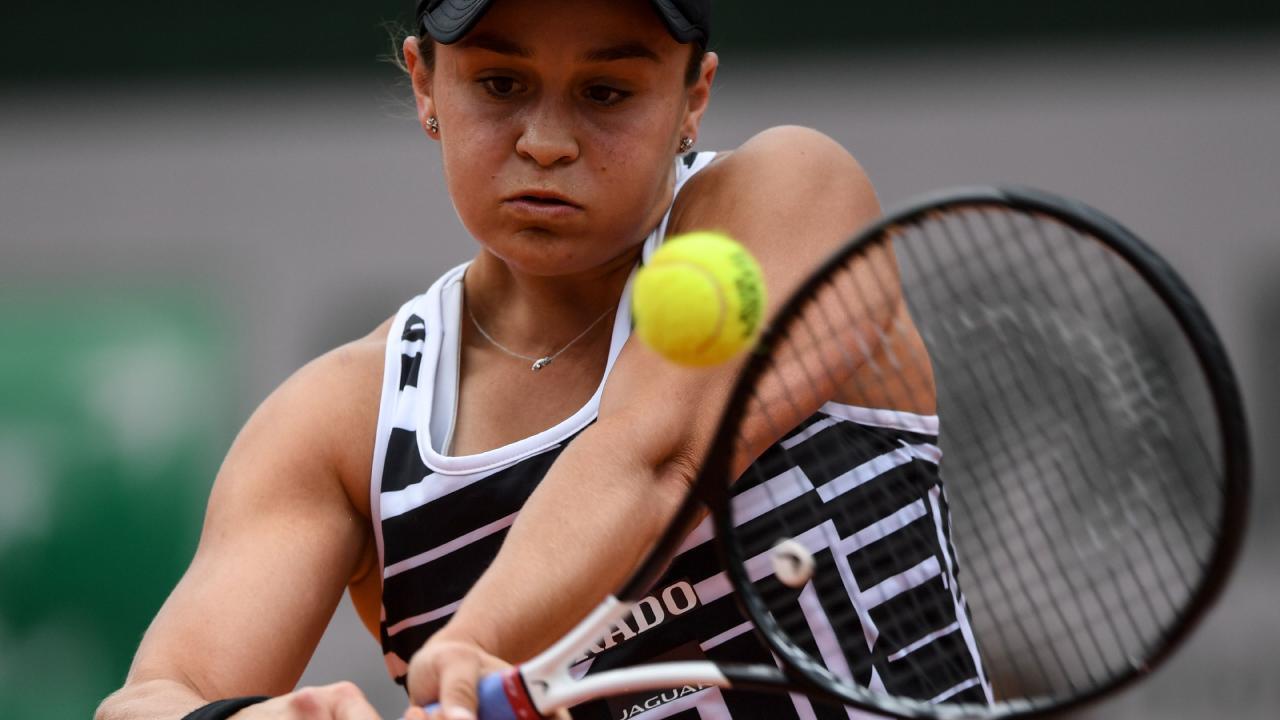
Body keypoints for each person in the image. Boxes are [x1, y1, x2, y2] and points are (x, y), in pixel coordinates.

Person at [97, 1, 988, 719]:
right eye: (499, 82)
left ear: (692, 97)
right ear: (425, 84)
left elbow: (656, 454)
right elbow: (152, 698)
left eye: (605, 92)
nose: (547, 141)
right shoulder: (340, 424)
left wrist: (468, 644)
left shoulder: (792, 195)